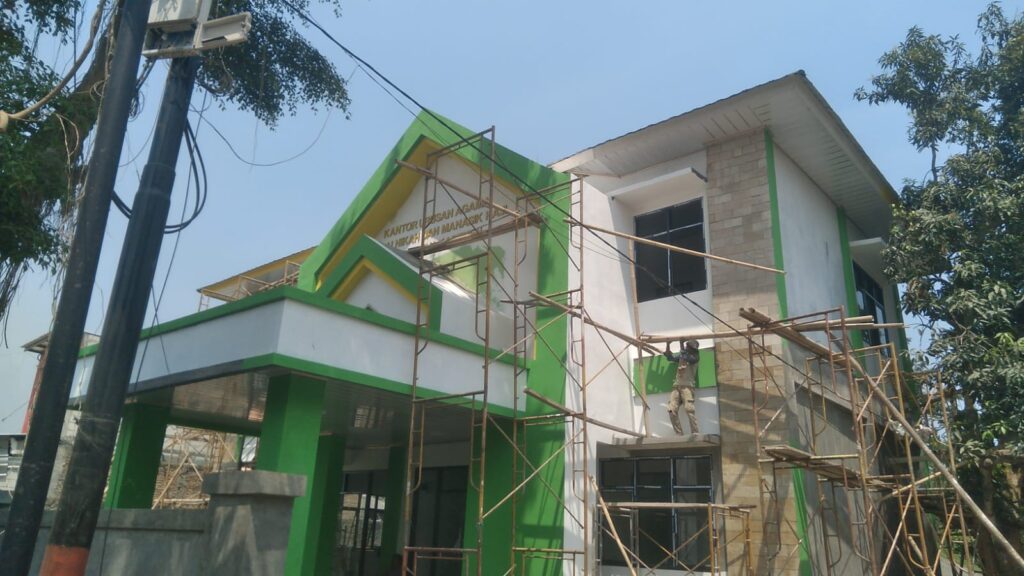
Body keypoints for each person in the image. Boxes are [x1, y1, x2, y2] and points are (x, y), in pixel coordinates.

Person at [664, 339, 700, 435]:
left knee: (689, 409)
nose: (688, 349)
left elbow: (687, 358)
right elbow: (670, 358)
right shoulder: (683, 355)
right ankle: (679, 434)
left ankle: (695, 432)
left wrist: (681, 344)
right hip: (676, 386)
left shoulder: (695, 357)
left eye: (689, 347)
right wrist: (668, 345)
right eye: (687, 347)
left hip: (687, 387)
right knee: (671, 410)